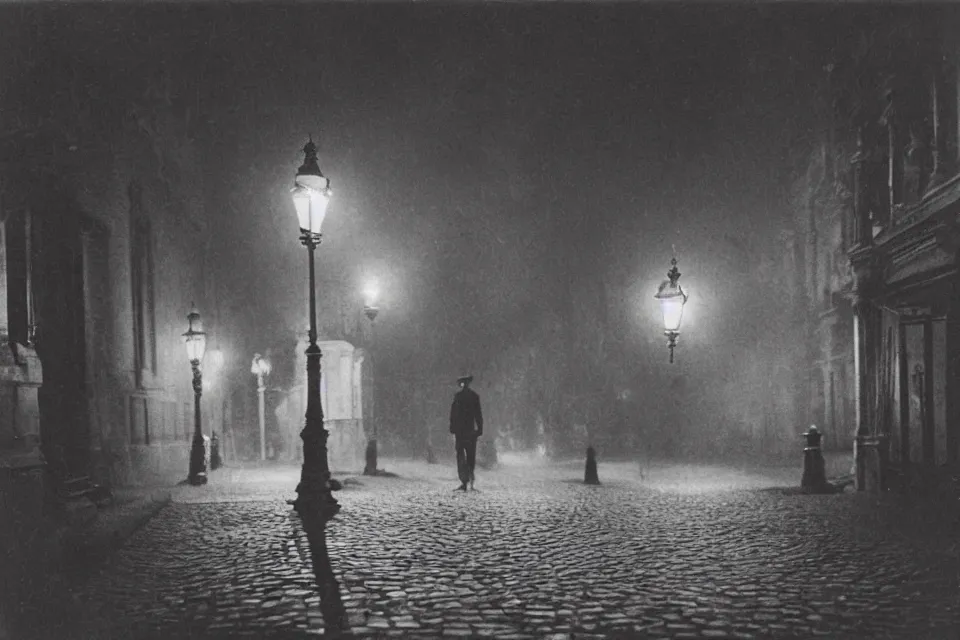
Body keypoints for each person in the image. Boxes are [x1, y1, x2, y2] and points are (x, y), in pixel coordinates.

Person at [449, 375, 483, 491]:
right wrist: (479, 428)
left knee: (465, 456)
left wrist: (479, 428)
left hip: (464, 431)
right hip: (466, 431)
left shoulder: (463, 397)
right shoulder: (471, 397)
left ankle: (467, 481)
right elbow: (454, 414)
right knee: (467, 456)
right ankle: (467, 481)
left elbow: (454, 414)